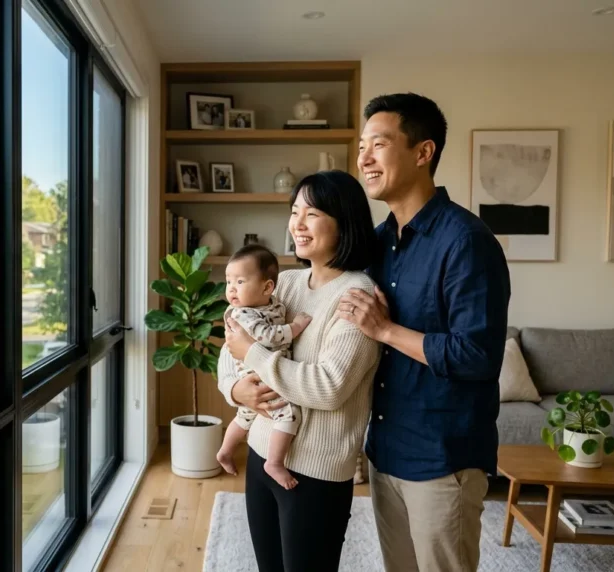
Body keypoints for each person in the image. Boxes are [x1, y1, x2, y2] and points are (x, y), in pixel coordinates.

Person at [338, 92, 511, 572]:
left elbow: (478, 355)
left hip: (442, 458)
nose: (364, 159)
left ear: (423, 152)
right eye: (361, 147)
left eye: (378, 144)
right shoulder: (377, 243)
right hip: (385, 449)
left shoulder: (467, 241)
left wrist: (386, 329)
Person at [219, 170, 381, 571]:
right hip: (261, 452)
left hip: (316, 472)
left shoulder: (358, 295)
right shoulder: (284, 283)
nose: (298, 224)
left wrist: (255, 356)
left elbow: (329, 387)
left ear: (344, 223)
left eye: (312, 214)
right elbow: (230, 348)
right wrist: (236, 391)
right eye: (295, 212)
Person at [215, 244, 313, 490]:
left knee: (245, 415)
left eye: (239, 281)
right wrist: (295, 327)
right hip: (259, 375)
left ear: (267, 288)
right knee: (289, 413)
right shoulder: (241, 314)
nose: (231, 289)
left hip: (261, 371)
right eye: (228, 281)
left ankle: (225, 451)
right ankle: (275, 462)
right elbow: (267, 337)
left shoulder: (269, 304)